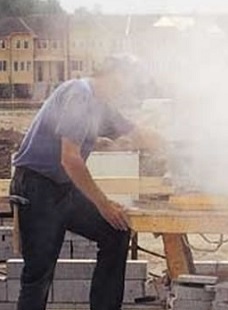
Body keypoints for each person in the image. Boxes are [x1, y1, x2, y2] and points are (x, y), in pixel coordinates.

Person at [10, 54, 156, 310]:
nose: (128, 89)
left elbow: (136, 132)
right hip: (37, 188)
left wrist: (172, 146)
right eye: (127, 81)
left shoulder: (102, 105)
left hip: (63, 188)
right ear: (113, 75)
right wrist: (104, 204)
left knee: (115, 232)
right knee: (38, 275)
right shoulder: (80, 94)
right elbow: (70, 159)